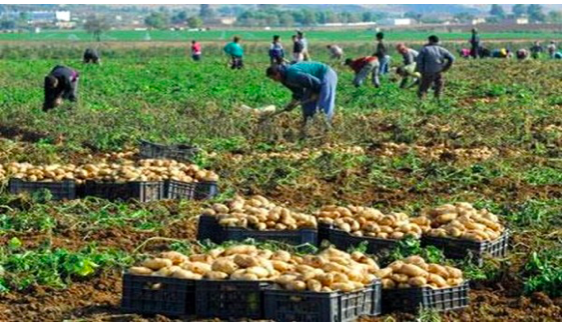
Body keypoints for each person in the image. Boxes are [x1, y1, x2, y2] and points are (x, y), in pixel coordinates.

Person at [266, 61, 338, 137]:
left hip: (325, 74)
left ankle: (325, 130)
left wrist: (316, 93)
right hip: (313, 82)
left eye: (273, 78)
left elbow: (316, 83)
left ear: (278, 74)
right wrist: (291, 104)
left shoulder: (294, 74)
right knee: (306, 103)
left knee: (324, 102)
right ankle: (308, 127)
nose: (273, 80)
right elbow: (298, 92)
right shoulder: (284, 80)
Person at [416, 35, 455, 100]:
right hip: (439, 71)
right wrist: (445, 68)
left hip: (428, 72)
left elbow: (419, 61)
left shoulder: (425, 49)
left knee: (422, 89)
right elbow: (452, 58)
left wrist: (421, 71)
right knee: (439, 89)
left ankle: (421, 105)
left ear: (430, 41)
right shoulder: (442, 49)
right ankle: (438, 103)